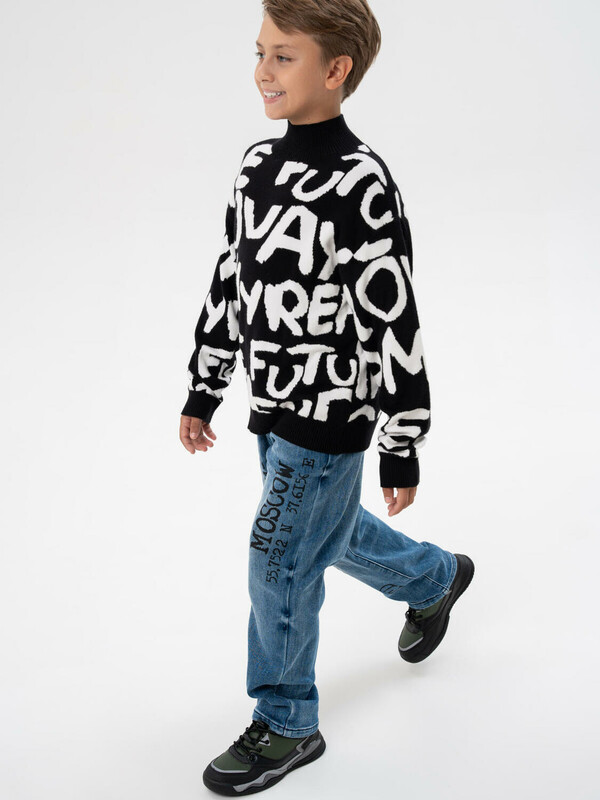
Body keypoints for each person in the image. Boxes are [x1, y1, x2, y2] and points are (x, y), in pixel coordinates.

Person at [179, 1, 474, 794]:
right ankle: (433, 578)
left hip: (333, 413)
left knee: (277, 560)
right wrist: (206, 384)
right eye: (259, 53)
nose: (262, 73)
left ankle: (286, 720)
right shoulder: (255, 168)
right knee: (317, 536)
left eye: (283, 57)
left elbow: (392, 316)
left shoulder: (361, 183)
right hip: (271, 405)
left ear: (336, 69)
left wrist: (401, 440)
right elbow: (232, 279)